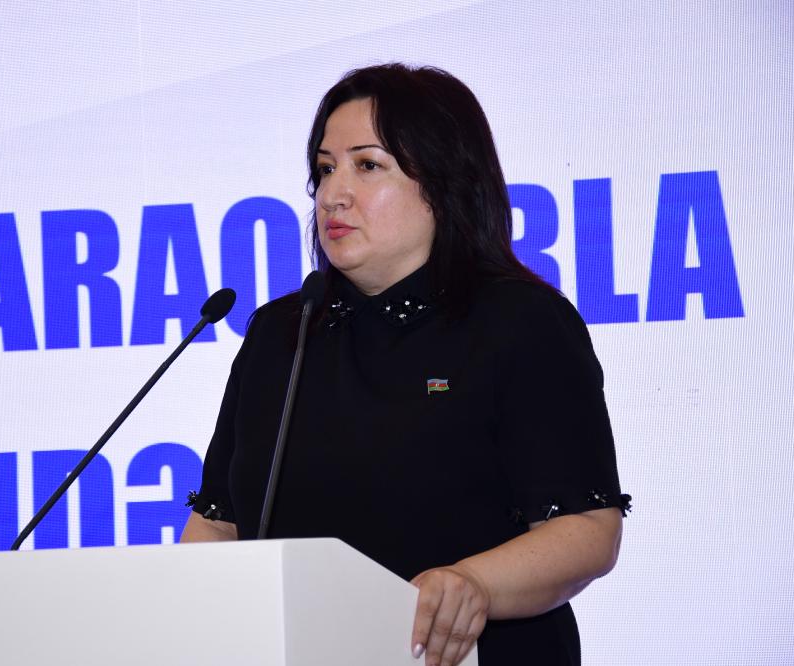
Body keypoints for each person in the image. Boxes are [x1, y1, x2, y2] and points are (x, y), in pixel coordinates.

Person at [181, 63, 630, 666]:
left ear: (443, 183)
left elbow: (587, 529)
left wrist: (473, 582)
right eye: (325, 169)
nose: (333, 194)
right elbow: (218, 525)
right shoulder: (281, 333)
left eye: (367, 166)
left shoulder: (519, 322)